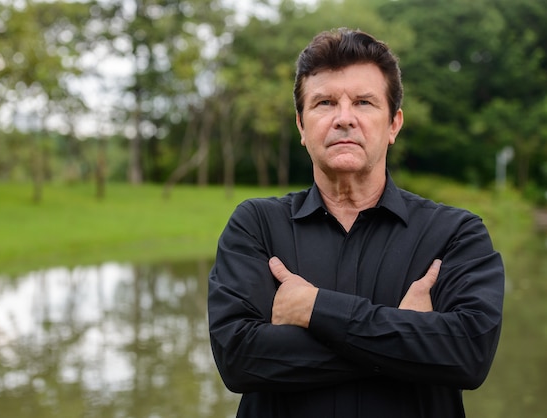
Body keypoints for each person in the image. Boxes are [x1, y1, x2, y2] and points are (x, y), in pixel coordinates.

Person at [207, 28, 505, 418]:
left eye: (364, 102)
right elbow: (239, 360)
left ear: (394, 124)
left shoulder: (455, 234)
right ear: (301, 125)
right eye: (325, 103)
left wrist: (313, 308)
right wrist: (408, 339)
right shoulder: (256, 226)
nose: (343, 119)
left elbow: (468, 355)